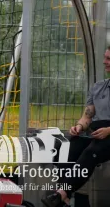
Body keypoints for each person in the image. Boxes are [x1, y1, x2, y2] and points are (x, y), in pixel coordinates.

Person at [42, 46, 110, 207]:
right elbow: (87, 116)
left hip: (107, 134)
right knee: (64, 148)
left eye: (108, 59)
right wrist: (79, 126)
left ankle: (62, 194)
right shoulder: (98, 87)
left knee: (93, 151)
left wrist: (109, 130)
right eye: (104, 57)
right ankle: (69, 198)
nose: (104, 62)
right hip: (97, 132)